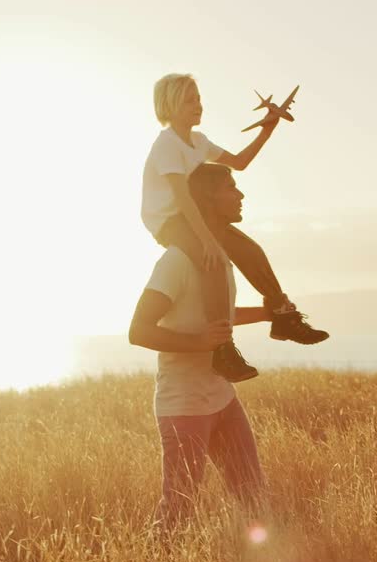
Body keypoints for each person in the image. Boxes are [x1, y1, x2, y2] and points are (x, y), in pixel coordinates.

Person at [142, 73, 328, 384]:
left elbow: (239, 162)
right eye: (189, 100)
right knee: (212, 261)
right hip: (169, 220)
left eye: (199, 98)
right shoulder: (167, 145)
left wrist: (268, 129)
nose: (198, 105)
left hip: (191, 217)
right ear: (169, 105)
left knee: (249, 250)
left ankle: (283, 317)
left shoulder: (198, 142)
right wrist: (208, 241)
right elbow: (182, 197)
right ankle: (222, 349)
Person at [130, 163, 279, 529]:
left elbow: (217, 318)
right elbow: (139, 330)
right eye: (232, 187)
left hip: (222, 398)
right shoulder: (176, 261)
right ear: (208, 200)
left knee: (252, 494)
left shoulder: (219, 257)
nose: (241, 195)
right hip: (184, 406)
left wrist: (266, 313)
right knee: (179, 507)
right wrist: (198, 343)